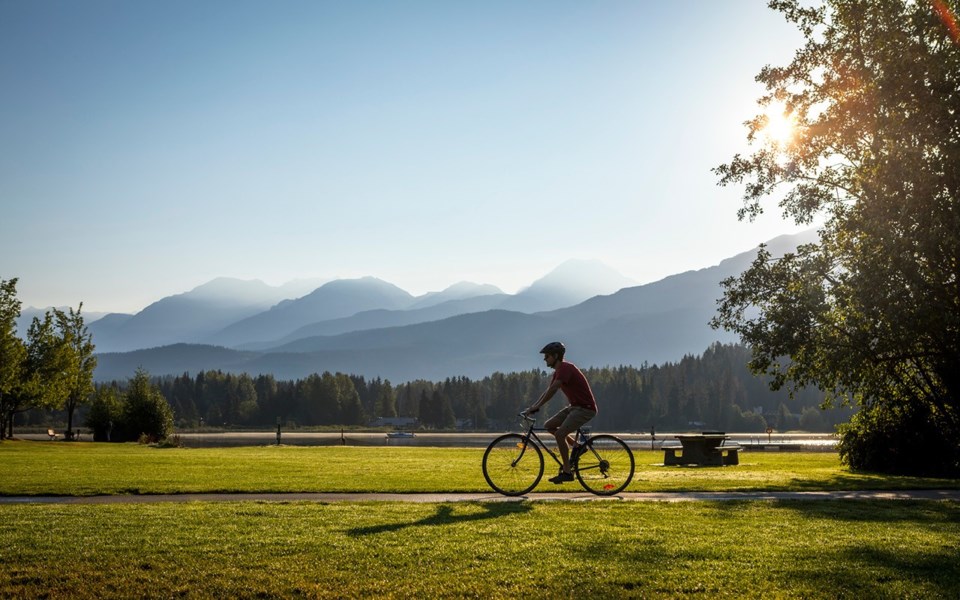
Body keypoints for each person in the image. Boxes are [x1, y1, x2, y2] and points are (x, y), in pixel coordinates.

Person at [523, 341, 598, 484]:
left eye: (547, 356)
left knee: (559, 434)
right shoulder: (558, 371)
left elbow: (554, 389)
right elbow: (549, 390)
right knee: (549, 425)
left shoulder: (565, 368)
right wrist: (534, 406)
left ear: (556, 356)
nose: (544, 359)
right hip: (575, 407)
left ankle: (567, 472)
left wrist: (536, 406)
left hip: (585, 408)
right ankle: (577, 446)